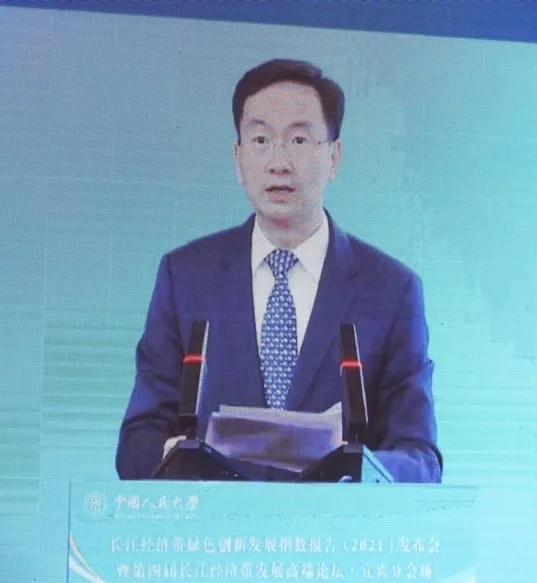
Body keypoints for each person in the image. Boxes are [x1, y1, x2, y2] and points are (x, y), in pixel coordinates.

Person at [116, 59, 442, 483]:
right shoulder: (186, 277)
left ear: (334, 157)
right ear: (238, 159)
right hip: (217, 523)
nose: (278, 162)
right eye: (260, 140)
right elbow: (137, 441)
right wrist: (175, 458)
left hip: (333, 523)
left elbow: (420, 458)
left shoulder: (392, 290)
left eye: (299, 140)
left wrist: (359, 470)